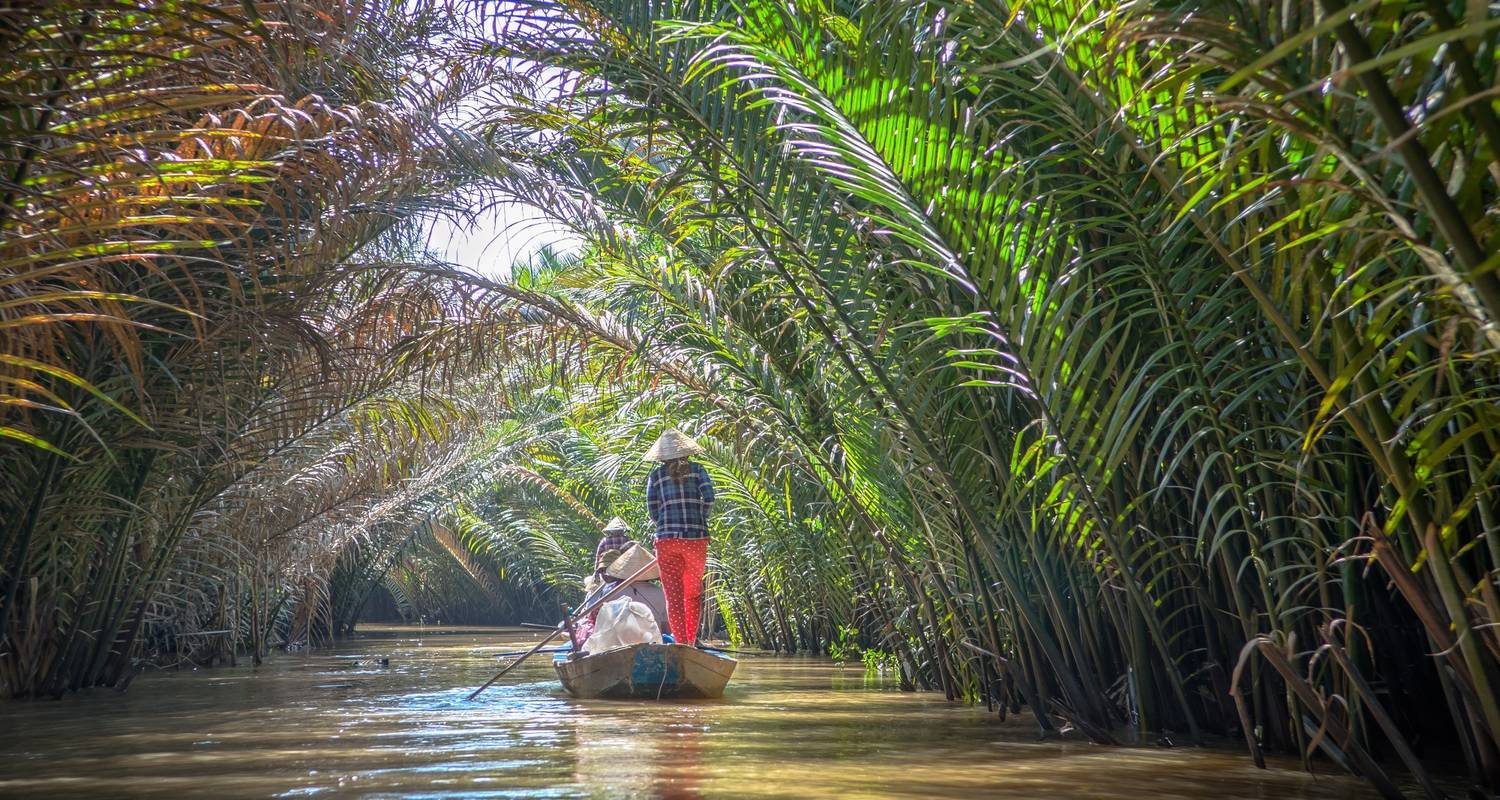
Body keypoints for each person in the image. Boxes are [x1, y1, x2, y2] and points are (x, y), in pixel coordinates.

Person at [643, 427, 715, 645]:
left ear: (662, 456)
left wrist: (665, 525)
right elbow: (709, 498)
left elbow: (653, 509)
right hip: (696, 539)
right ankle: (690, 643)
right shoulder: (698, 470)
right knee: (692, 594)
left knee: (673, 597)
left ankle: (680, 643)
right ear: (687, 452)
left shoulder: (655, 476)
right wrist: (699, 519)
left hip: (666, 541)